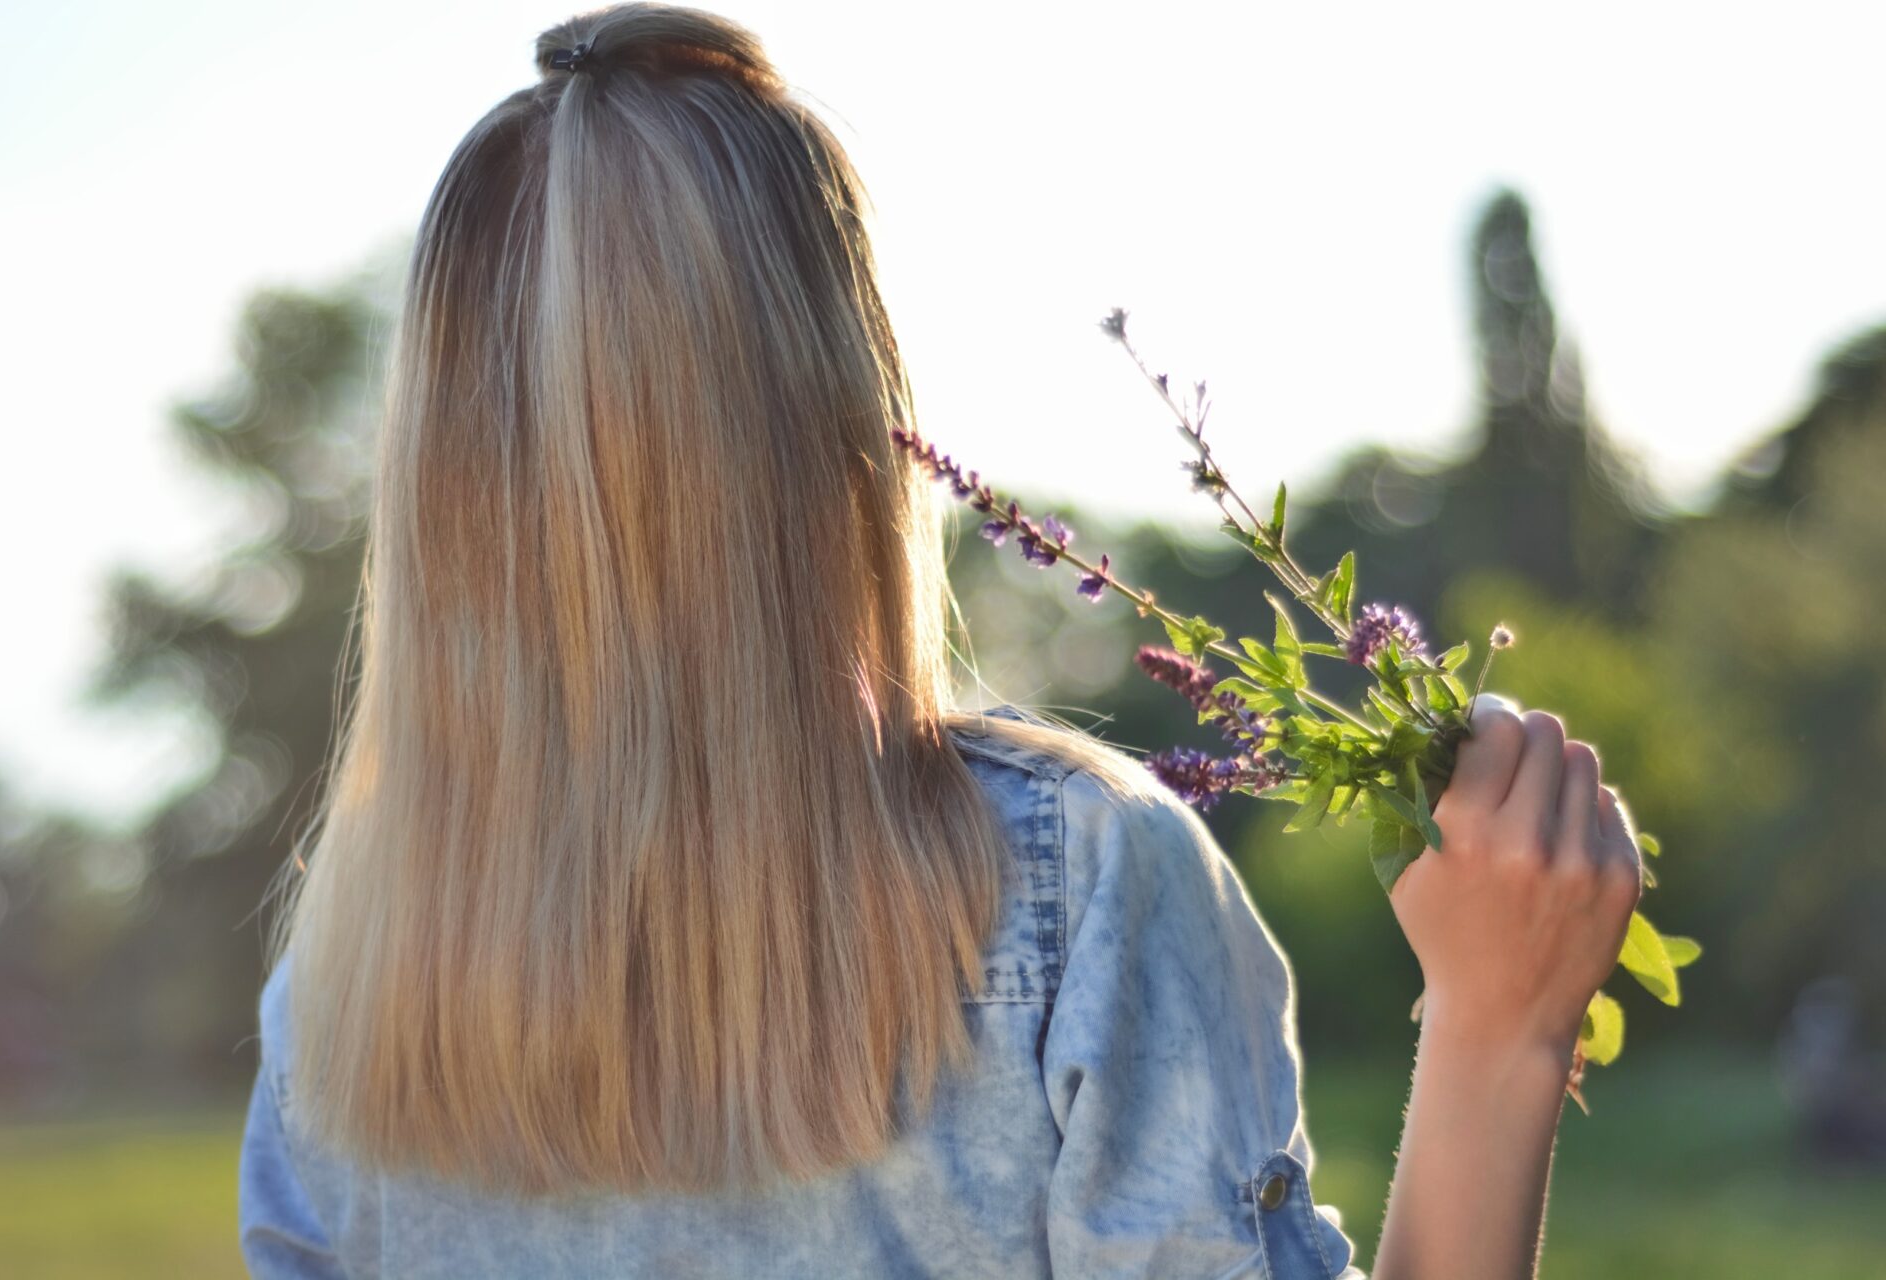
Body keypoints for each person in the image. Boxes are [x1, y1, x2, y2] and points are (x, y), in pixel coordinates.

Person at [237, 5, 1644, 1276]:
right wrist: (1497, 1036)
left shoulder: (338, 1007)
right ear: (846, 418)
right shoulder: (1076, 892)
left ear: (440, 490)